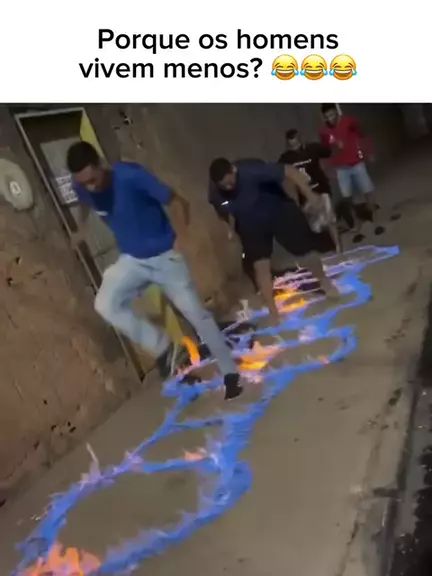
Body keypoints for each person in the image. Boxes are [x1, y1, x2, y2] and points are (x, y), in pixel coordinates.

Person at [66, 141, 243, 400]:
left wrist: (182, 236)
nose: (91, 187)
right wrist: (81, 228)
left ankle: (230, 373)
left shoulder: (131, 176)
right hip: (133, 260)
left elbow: (178, 201)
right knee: (104, 304)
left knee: (197, 315)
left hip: (165, 258)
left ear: (101, 165)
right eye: (85, 183)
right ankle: (164, 348)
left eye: (93, 180)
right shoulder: (81, 185)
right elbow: (84, 202)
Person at [208, 158, 339, 326]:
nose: (228, 188)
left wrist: (310, 195)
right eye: (223, 186)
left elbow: (289, 170)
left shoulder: (251, 171)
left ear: (234, 170)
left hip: (279, 213)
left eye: (230, 183)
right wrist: (231, 229)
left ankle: (324, 282)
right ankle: (272, 310)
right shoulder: (215, 192)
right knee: (260, 266)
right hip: (251, 225)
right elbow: (226, 211)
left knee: (304, 252)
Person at [319, 104, 385, 242]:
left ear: (336, 112)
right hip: (341, 168)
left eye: (332, 115)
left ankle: (376, 220)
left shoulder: (350, 121)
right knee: (348, 198)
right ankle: (356, 223)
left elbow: (362, 135)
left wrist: (369, 152)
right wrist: (329, 166)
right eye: (327, 117)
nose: (330, 119)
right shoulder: (324, 131)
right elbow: (325, 151)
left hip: (357, 163)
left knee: (367, 191)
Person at [278, 129, 341, 253]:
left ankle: (338, 245)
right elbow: (279, 172)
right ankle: (325, 245)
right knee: (314, 225)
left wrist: (336, 145)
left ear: (300, 139)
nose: (295, 146)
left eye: (296, 142)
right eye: (292, 144)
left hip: (321, 189)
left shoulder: (312, 148)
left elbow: (328, 152)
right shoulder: (286, 158)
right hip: (304, 195)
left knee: (330, 219)